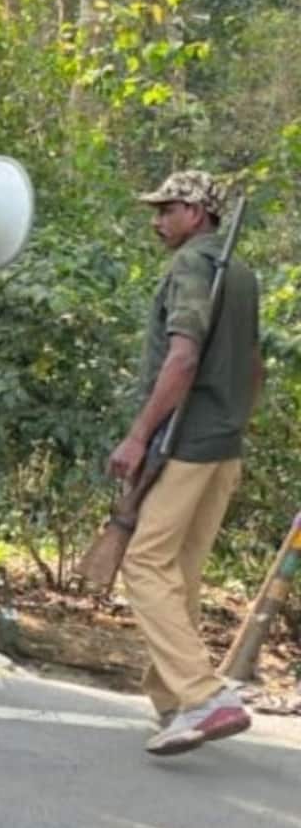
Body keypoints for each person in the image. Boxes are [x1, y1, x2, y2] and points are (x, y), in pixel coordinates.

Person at [111, 170, 261, 756]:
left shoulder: (193, 267)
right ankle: (173, 700)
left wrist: (137, 437)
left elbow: (182, 357)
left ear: (197, 213)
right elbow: (253, 368)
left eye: (168, 209)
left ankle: (202, 695)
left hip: (188, 443)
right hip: (223, 445)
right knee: (180, 571)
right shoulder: (241, 273)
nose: (158, 220)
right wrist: (234, 423)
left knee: (145, 565)